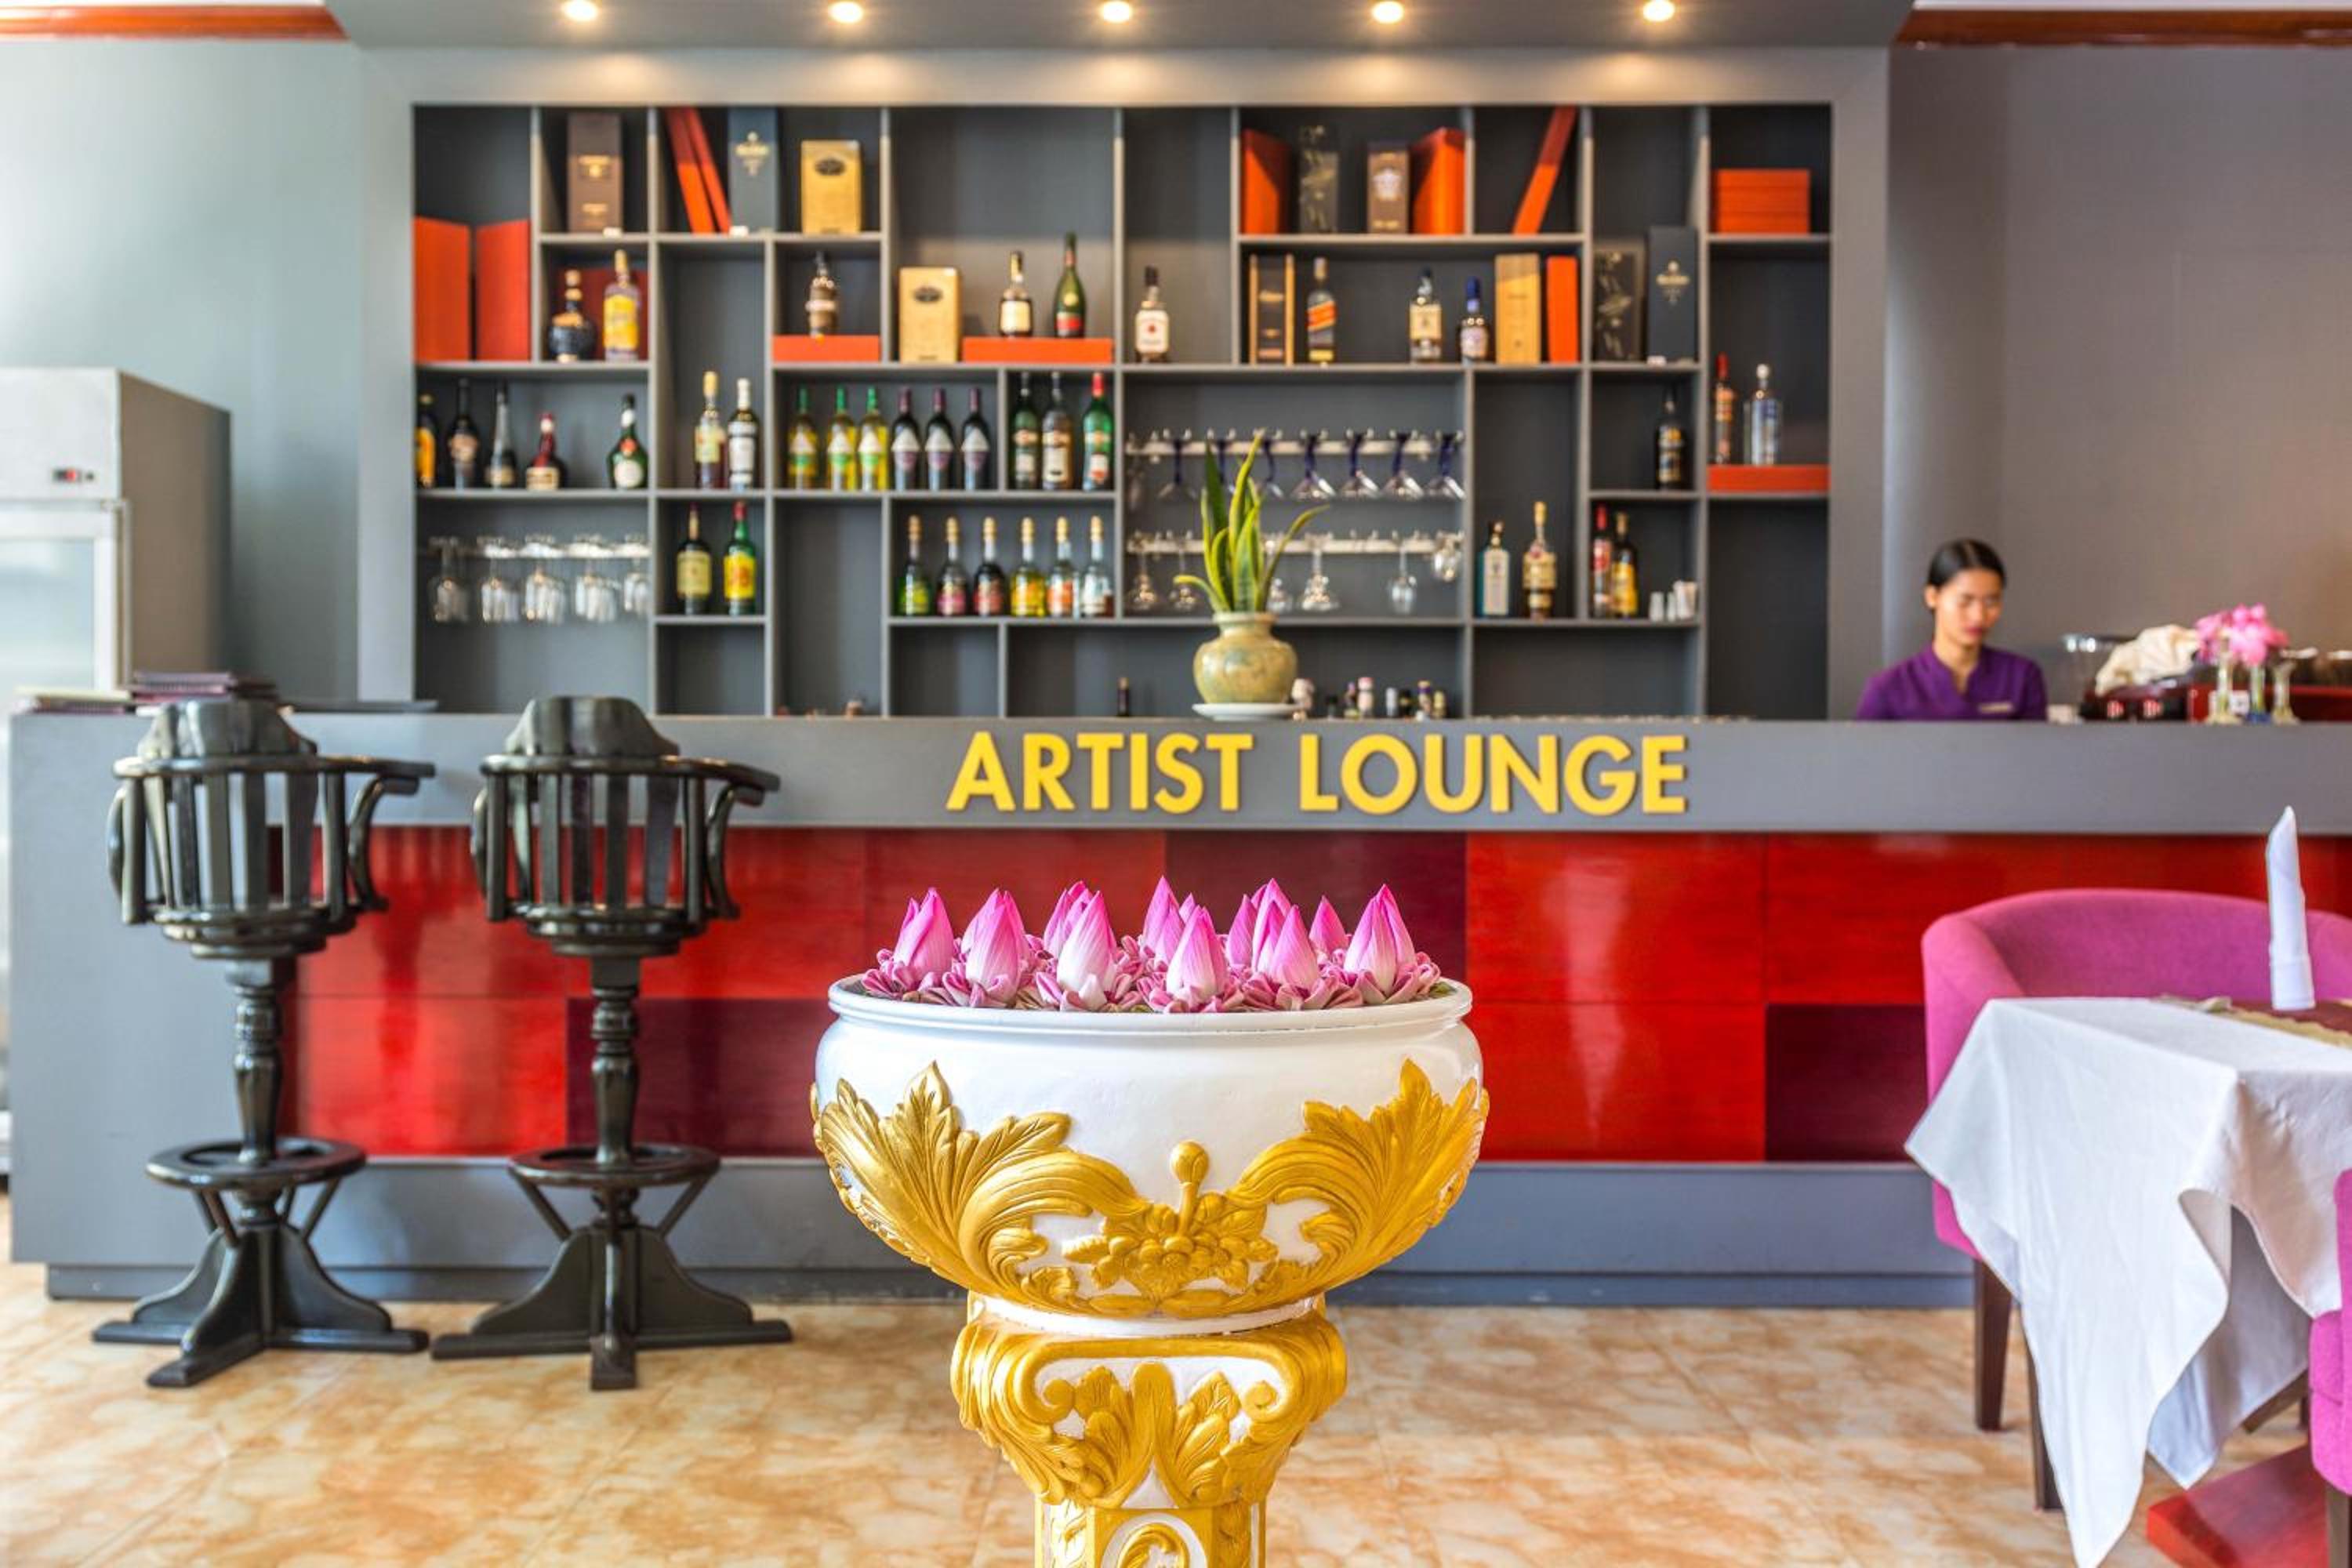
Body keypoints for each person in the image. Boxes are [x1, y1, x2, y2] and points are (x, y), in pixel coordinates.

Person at [1857, 539, 2048, 721]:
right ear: (1932, 597)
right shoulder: (1888, 689)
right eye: (1965, 601)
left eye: (1991, 602)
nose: (1978, 616)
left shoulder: (2021, 677)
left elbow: (2036, 745)